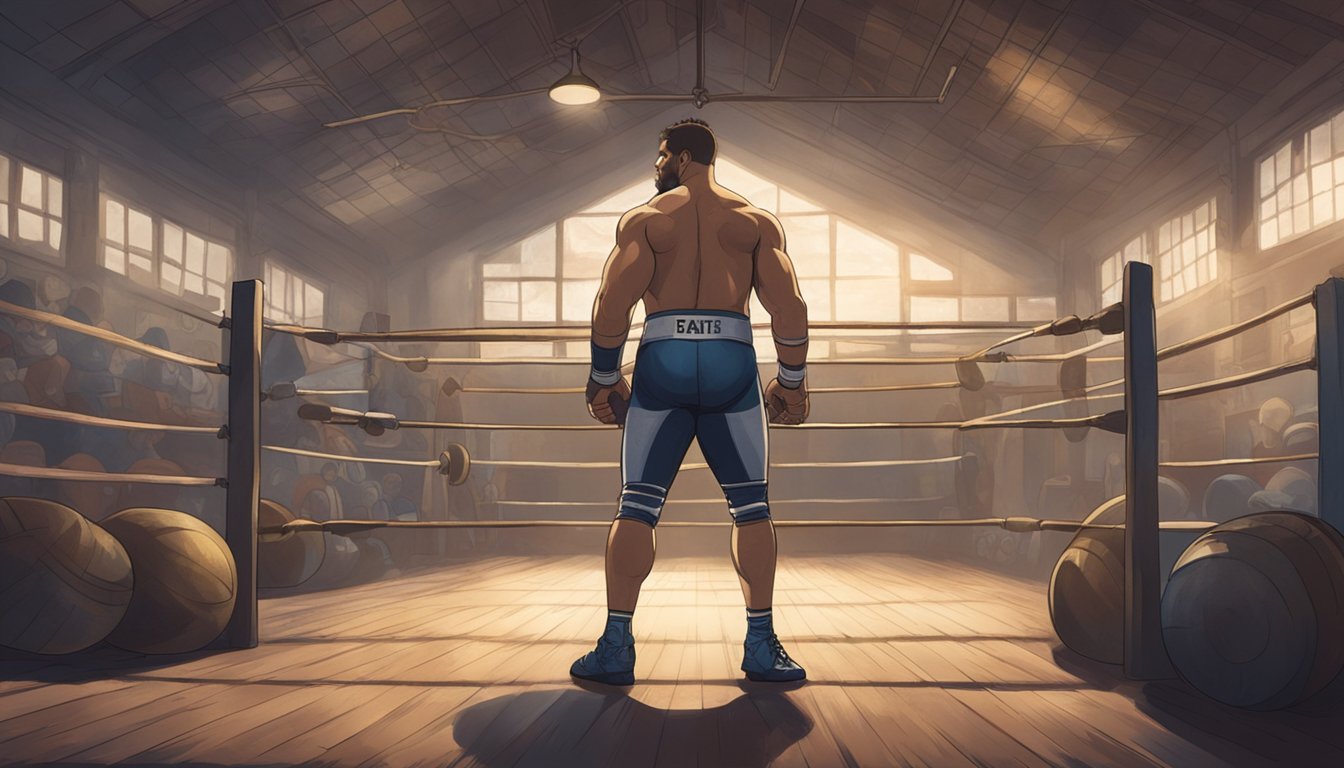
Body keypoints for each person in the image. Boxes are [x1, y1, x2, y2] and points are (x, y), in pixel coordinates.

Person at [571, 118, 810, 686]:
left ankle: (616, 647)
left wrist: (605, 378)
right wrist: (792, 382)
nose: (656, 167)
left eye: (660, 157)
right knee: (752, 507)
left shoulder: (649, 220)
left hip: (664, 361)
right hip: (731, 360)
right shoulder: (754, 222)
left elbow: (613, 304)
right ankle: (759, 645)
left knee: (637, 506)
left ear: (680, 158)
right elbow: (789, 308)